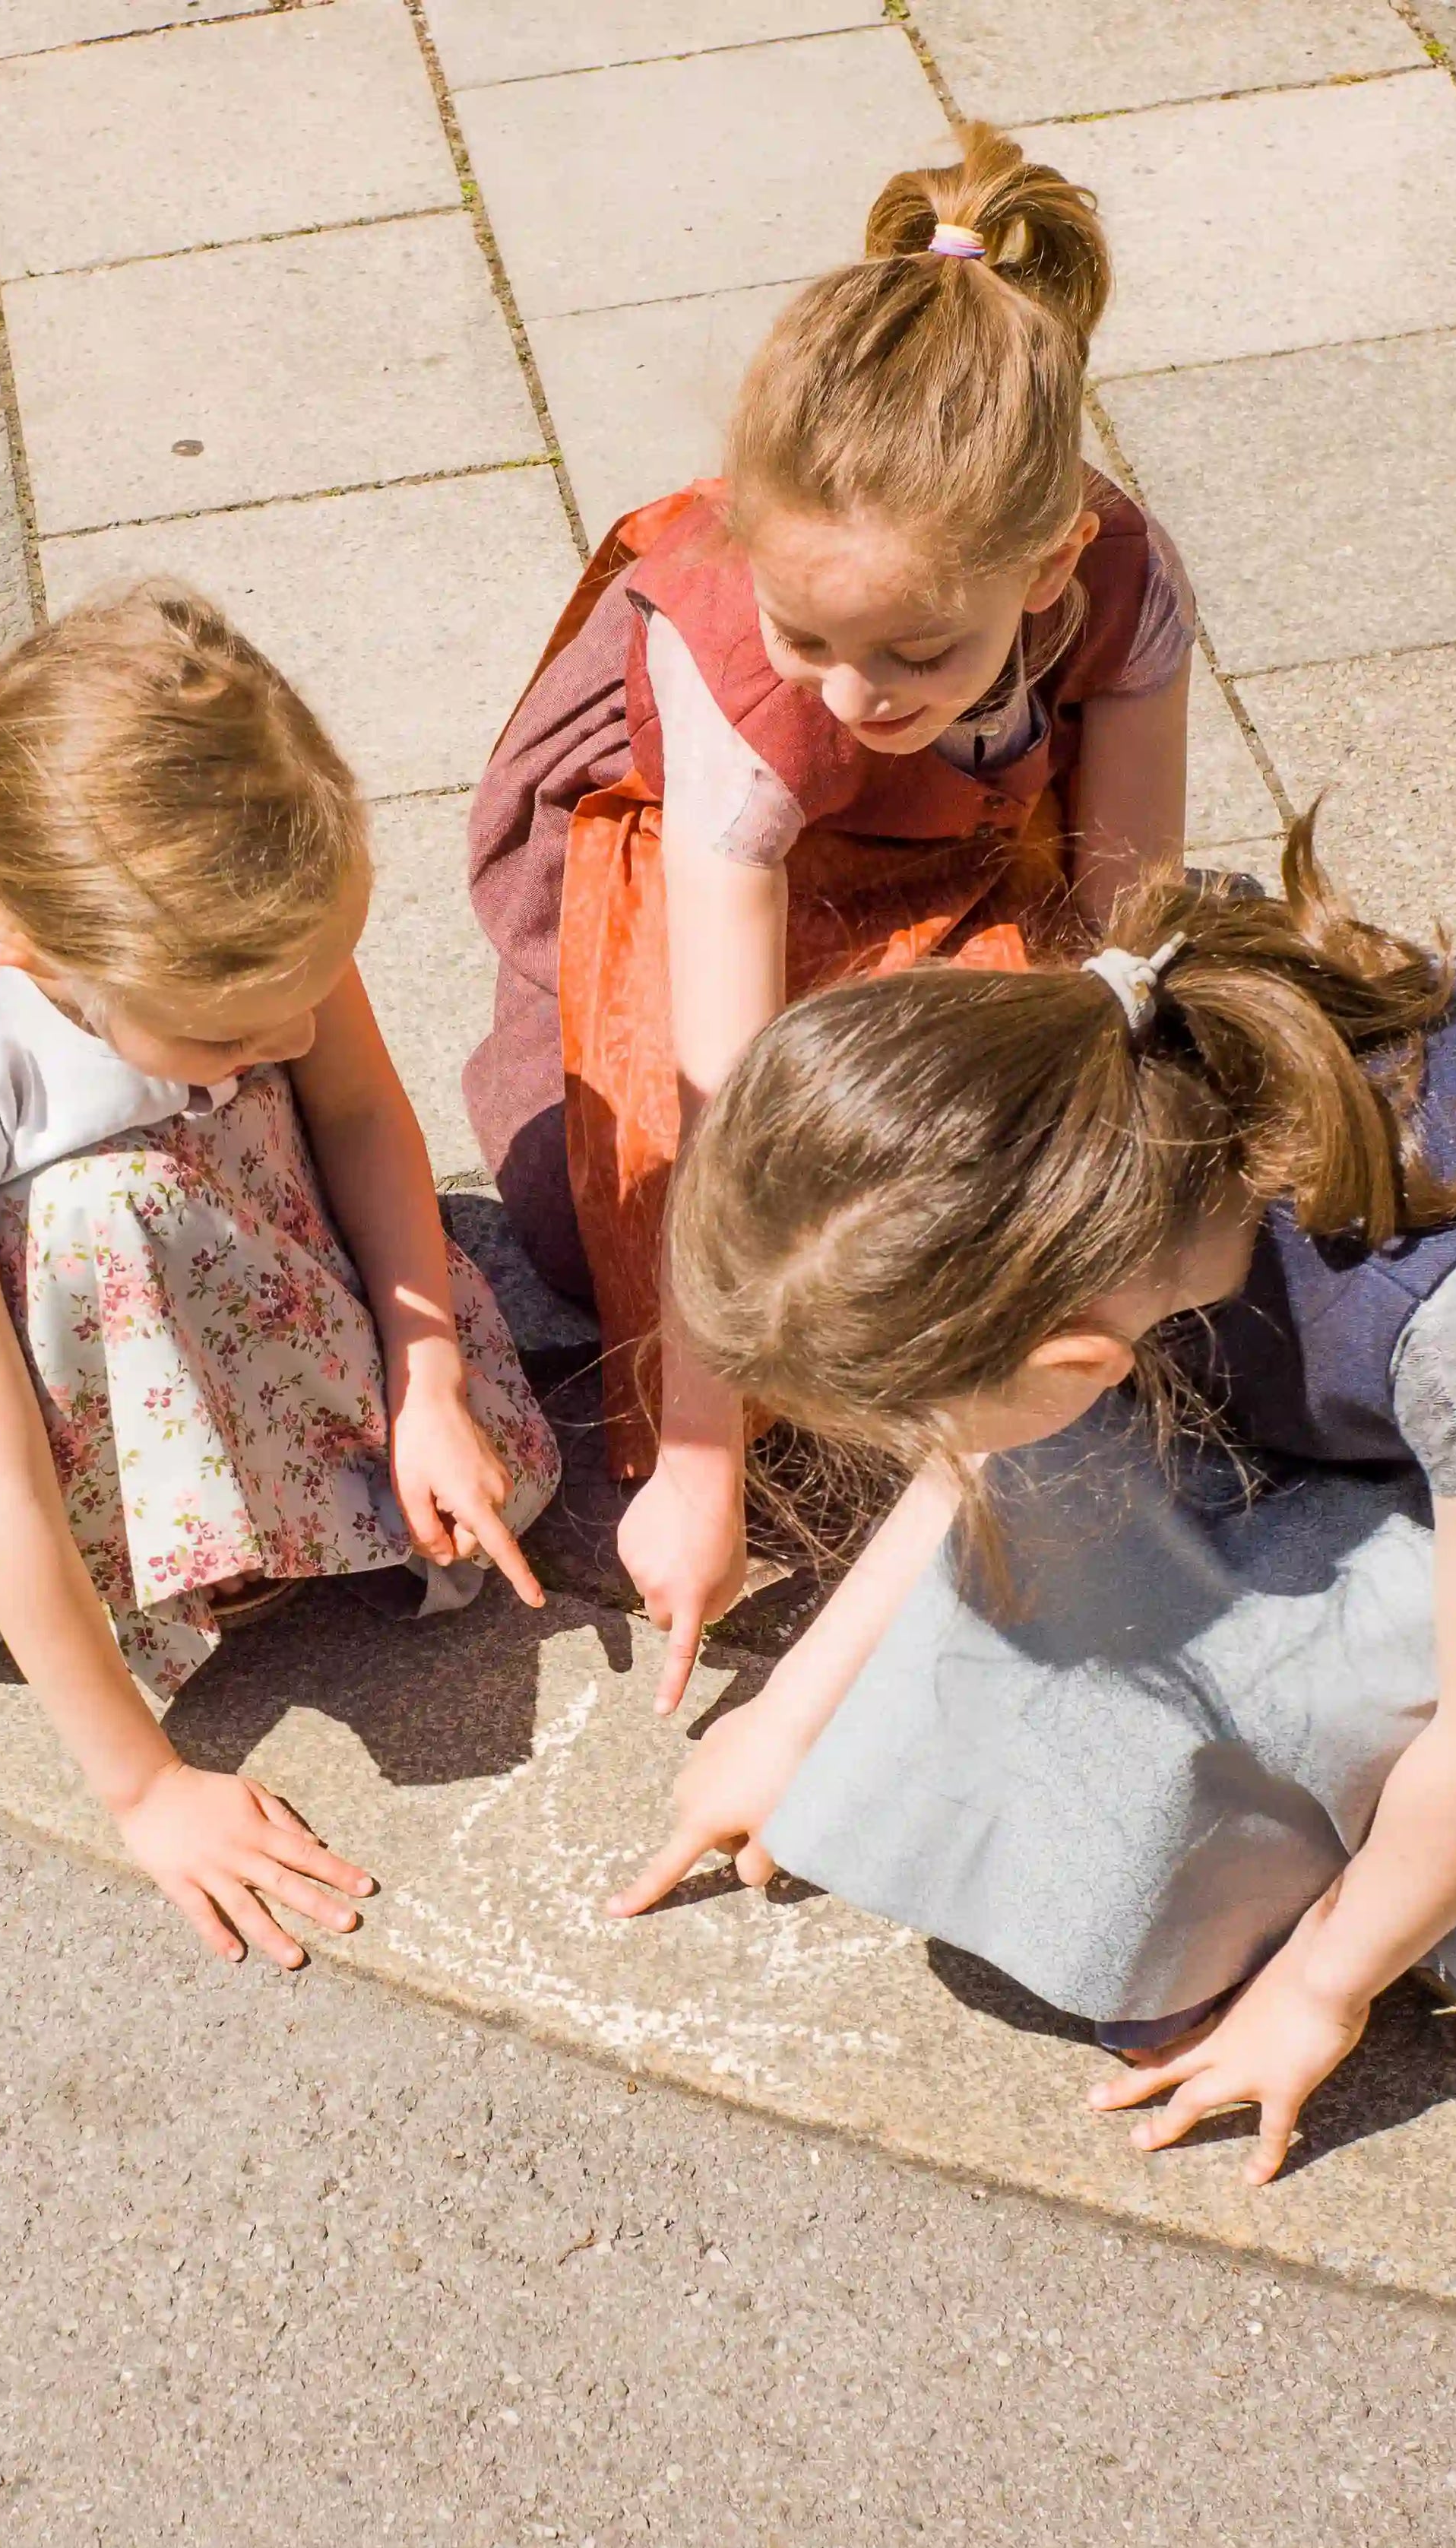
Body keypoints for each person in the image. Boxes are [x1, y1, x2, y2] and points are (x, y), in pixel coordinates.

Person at [603, 822, 1456, 2170]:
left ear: (1082, 1352)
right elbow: (982, 1451)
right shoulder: (1103, 1118)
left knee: (1370, 1676)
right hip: (1392, 1317)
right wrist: (793, 1718)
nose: (926, 1448)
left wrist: (1323, 1991)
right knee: (1088, 1539)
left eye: (922, 1408)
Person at [0, 589, 561, 1968]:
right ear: (48, 964)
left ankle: (224, 1465)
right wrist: (143, 1785)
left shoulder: (231, 893)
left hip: (144, 1147)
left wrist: (431, 1377)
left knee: (156, 1194)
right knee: (111, 1215)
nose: (300, 1030)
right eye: (247, 1021)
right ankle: (164, 1525)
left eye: (312, 987)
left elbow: (350, 1110)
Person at [462, 120, 1199, 1711]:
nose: (857, 694)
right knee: (635, 1219)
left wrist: (1082, 1187)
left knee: (993, 1175)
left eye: (917, 657)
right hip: (728, 883)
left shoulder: (1129, 584)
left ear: (1053, 559)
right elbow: (736, 1109)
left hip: (952, 858)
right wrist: (697, 1457)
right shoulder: (743, 673)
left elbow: (1118, 938)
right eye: (811, 635)